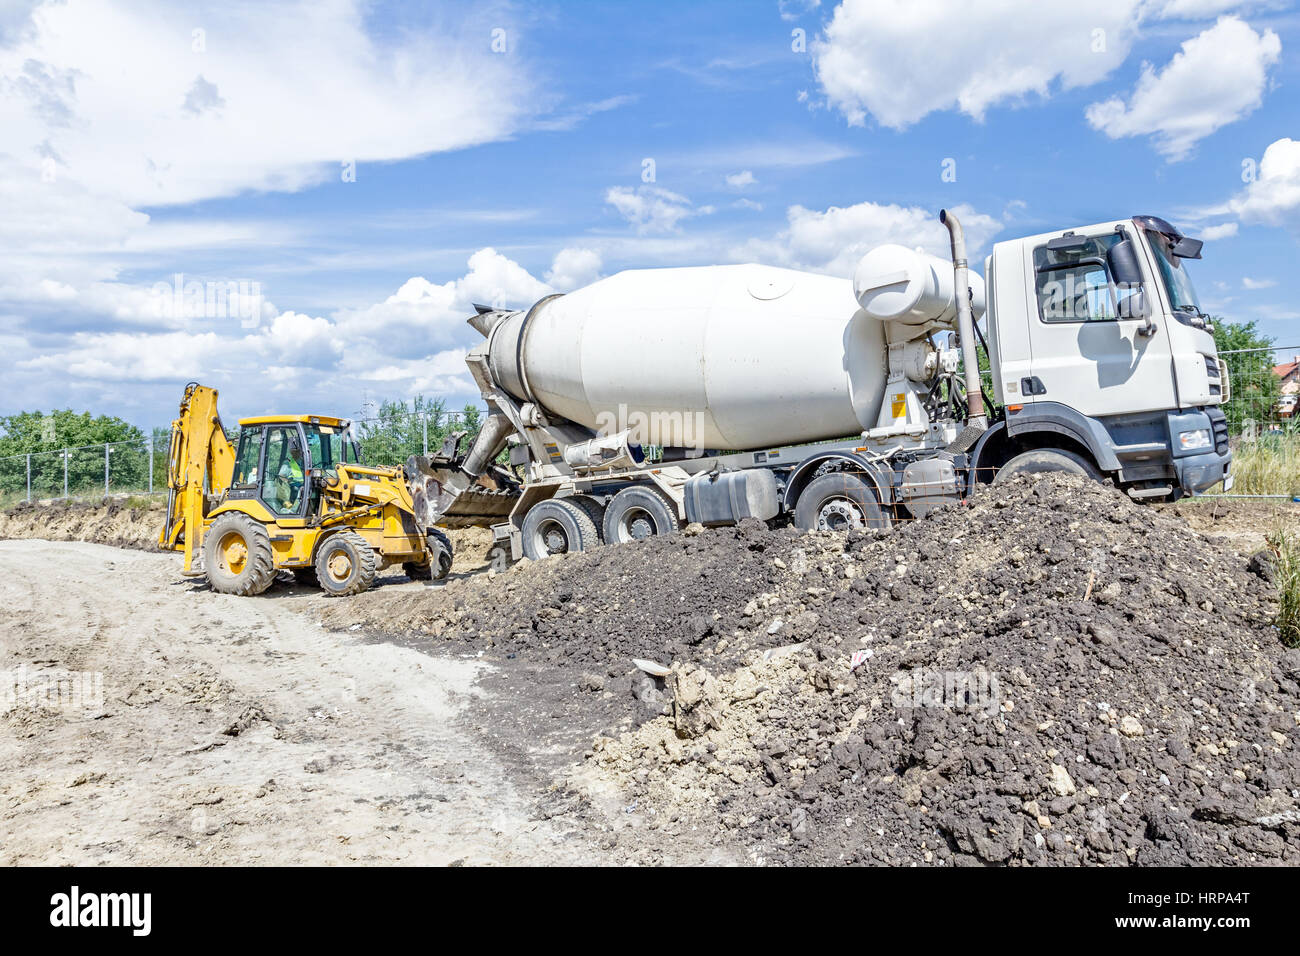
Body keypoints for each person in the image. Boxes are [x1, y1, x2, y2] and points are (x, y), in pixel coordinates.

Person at [274, 434, 305, 510]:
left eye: (300, 451)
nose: (299, 453)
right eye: (297, 451)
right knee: (297, 490)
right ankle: (290, 507)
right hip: (293, 489)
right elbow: (281, 478)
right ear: (292, 452)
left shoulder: (304, 463)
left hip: (302, 486)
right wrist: (288, 481)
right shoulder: (288, 463)